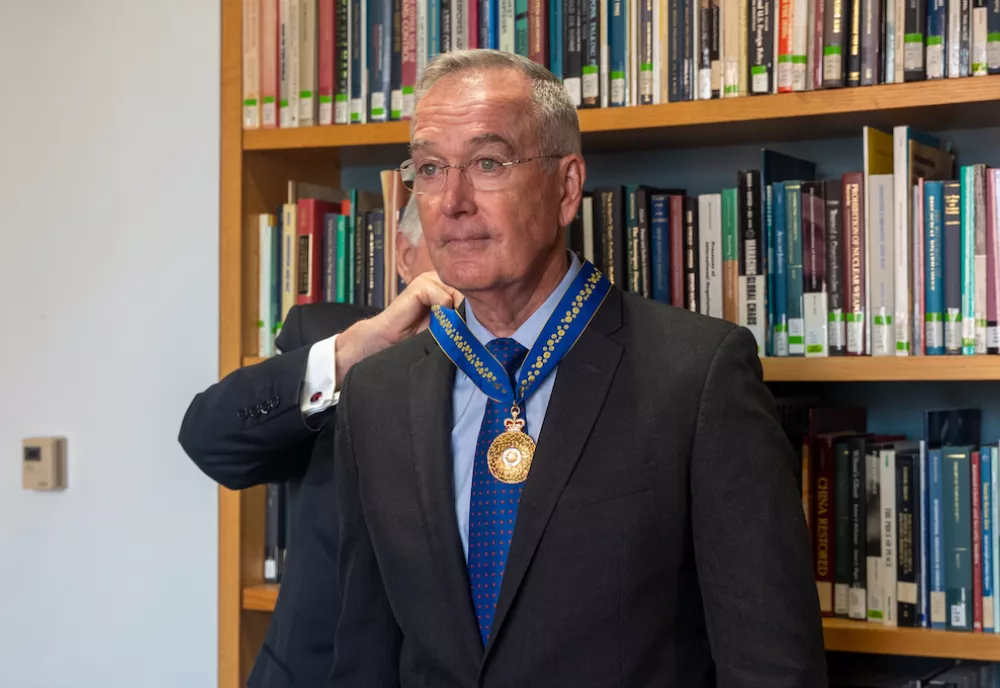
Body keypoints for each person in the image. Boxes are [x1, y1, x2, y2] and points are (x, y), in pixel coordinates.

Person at [329, 49, 827, 687]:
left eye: (487, 163)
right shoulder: (375, 394)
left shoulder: (698, 376)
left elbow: (772, 669)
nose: (452, 201)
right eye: (428, 168)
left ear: (566, 188)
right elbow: (363, 657)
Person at [177, 196, 460, 687]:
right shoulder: (333, 336)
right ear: (402, 254)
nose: (467, 269)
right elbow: (210, 440)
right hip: (317, 672)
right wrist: (353, 352)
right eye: (449, 242)